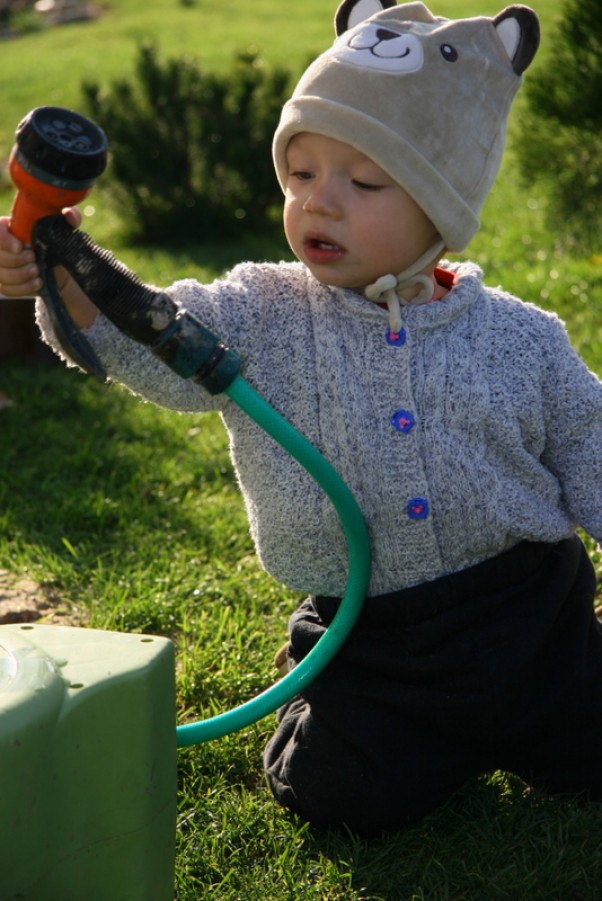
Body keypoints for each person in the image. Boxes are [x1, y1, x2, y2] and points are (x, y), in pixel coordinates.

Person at [1, 0, 602, 838]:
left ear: (443, 207)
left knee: (588, 742)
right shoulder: (261, 310)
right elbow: (155, 338)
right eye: (301, 174)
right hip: (372, 634)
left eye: (363, 182)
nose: (321, 203)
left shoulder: (520, 337)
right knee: (336, 792)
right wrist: (65, 279)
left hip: (530, 617)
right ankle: (346, 705)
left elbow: (587, 438)